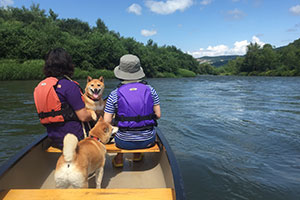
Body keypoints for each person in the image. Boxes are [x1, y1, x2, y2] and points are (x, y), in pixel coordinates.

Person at [103, 54, 161, 167]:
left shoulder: (114, 93)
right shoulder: (151, 90)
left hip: (123, 142)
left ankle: (119, 160)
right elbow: (158, 115)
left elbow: (106, 121)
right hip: (148, 140)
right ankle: (137, 155)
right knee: (141, 124)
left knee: (117, 128)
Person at [34, 48, 95, 149]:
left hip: (54, 138)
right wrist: (93, 114)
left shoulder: (41, 86)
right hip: (74, 138)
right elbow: (83, 117)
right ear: (67, 65)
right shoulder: (69, 86)